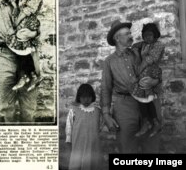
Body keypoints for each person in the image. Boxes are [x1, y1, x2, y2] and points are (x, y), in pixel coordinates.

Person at [101, 20, 162, 153]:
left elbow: (154, 69)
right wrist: (106, 114)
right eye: (127, 34)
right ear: (117, 38)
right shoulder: (109, 61)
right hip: (124, 107)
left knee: (152, 145)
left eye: (130, 33)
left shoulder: (138, 52)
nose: (131, 36)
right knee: (127, 146)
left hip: (147, 101)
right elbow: (106, 88)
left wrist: (154, 81)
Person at [6, 0, 43, 92]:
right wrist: (13, 3)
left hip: (29, 22)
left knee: (21, 40)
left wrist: (15, 24)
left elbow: (26, 12)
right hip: (23, 23)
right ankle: (29, 75)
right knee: (20, 49)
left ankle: (30, 75)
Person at [131, 23, 165, 137]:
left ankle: (147, 122)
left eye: (150, 35)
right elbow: (134, 45)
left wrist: (138, 72)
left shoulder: (159, 45)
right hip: (145, 72)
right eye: (145, 35)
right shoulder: (144, 44)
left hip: (152, 72)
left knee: (141, 95)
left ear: (155, 35)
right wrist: (136, 51)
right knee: (144, 98)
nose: (147, 37)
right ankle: (154, 122)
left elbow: (149, 60)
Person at [65, 84, 102, 170]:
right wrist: (68, 138)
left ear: (92, 97)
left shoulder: (97, 110)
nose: (86, 100)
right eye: (83, 97)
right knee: (77, 162)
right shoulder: (73, 110)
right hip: (78, 142)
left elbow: (100, 124)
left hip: (93, 143)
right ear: (79, 97)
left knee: (91, 162)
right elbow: (69, 125)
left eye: (88, 97)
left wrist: (95, 133)